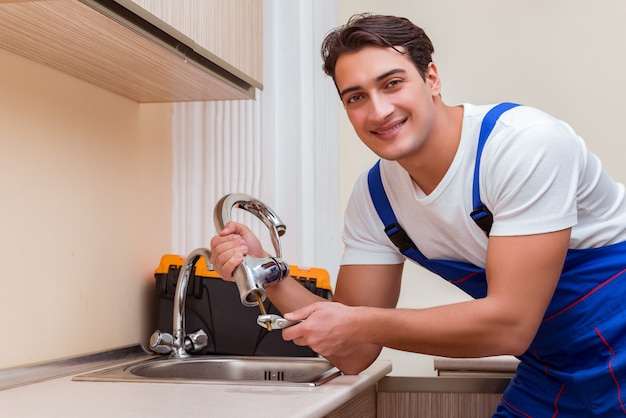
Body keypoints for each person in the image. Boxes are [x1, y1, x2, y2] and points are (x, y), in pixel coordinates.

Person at [210, 13, 626, 417]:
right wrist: (269, 272)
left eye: (392, 83)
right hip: (552, 368)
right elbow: (355, 350)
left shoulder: (523, 146)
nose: (378, 111)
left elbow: (509, 324)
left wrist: (361, 323)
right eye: (355, 97)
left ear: (431, 78)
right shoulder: (375, 200)